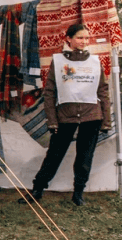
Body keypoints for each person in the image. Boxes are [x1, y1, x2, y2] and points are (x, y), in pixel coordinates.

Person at [21, 24, 112, 206]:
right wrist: (52, 120)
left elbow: (103, 91)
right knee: (54, 155)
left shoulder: (95, 62)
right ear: (68, 39)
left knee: (85, 157)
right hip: (65, 115)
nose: (84, 41)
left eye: (86, 38)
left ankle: (78, 193)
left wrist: (106, 121)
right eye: (80, 37)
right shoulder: (58, 62)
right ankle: (38, 189)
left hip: (91, 116)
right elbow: (50, 93)